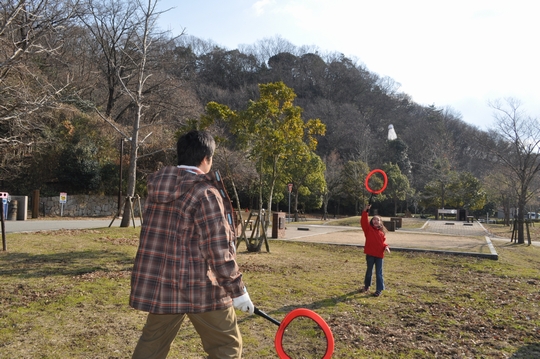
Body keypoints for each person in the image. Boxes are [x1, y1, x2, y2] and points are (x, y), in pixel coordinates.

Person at [130, 130, 254, 359]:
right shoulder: (205, 193)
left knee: (151, 346)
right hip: (202, 287)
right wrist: (238, 292)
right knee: (227, 346)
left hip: (163, 284)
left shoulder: (157, 188)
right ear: (206, 159)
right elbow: (218, 249)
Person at [360, 204, 390, 297]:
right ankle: (367, 286)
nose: (376, 221)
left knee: (379, 273)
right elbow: (363, 221)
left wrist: (386, 246)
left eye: (378, 220)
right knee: (369, 271)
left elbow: (382, 243)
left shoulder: (381, 233)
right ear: (371, 222)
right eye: (374, 219)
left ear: (380, 223)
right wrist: (366, 211)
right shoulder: (368, 230)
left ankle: (379, 289)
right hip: (370, 254)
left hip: (379, 255)